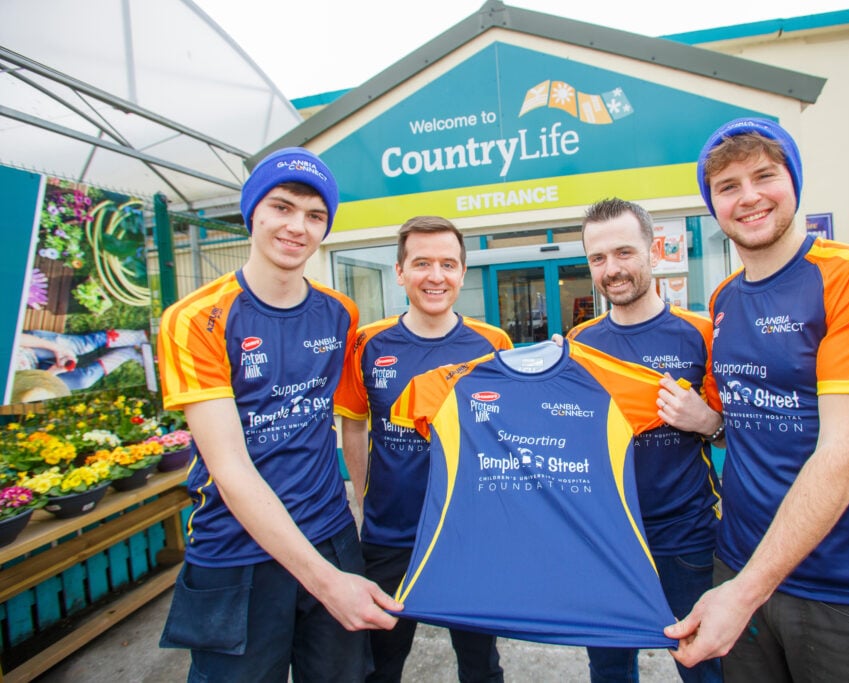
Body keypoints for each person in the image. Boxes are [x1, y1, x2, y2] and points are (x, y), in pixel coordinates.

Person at [661, 118, 849, 681]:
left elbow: (843, 459)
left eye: (764, 176)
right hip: (739, 564)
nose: (749, 198)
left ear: (793, 181)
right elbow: (744, 422)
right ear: (711, 205)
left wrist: (742, 594)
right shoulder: (723, 298)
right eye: (727, 187)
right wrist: (709, 423)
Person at [157, 147, 400, 682]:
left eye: (315, 216)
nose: (298, 227)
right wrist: (327, 581)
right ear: (252, 213)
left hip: (331, 536)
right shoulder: (194, 320)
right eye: (282, 207)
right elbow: (231, 468)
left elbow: (345, 419)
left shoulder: (340, 313)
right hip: (235, 553)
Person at [339, 216, 511, 683]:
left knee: (480, 665)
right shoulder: (368, 343)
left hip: (469, 535)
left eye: (448, 264)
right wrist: (363, 499)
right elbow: (353, 426)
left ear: (462, 272)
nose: (436, 276)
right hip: (390, 535)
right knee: (380, 662)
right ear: (399, 272)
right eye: (422, 263)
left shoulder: (492, 344)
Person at [566, 198, 723, 683]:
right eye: (597, 258)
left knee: (704, 666)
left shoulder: (700, 333)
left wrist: (707, 420)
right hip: (607, 540)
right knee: (610, 671)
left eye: (624, 252)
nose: (611, 269)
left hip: (686, 537)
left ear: (652, 250)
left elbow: (734, 429)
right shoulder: (579, 344)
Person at [15, 329, 146, 392]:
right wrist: (52, 372)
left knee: (78, 347)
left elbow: (15, 338)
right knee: (83, 381)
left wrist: (57, 348)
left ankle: (138, 337)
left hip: (30, 347)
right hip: (34, 375)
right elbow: (27, 387)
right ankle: (128, 352)